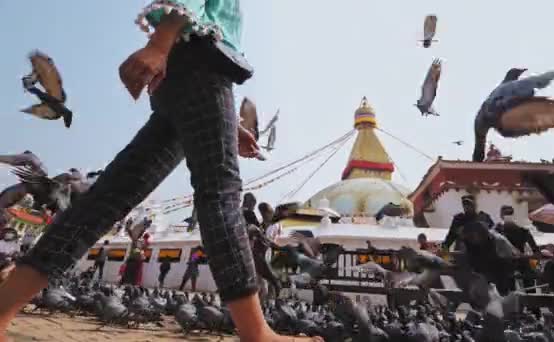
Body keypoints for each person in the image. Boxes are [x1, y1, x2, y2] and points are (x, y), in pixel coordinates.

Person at [0, 2, 321, 341]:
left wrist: (224, 119)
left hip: (183, 75)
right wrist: (160, 42)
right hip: (199, 65)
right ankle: (257, 335)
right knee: (220, 196)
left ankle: (3, 307)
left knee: (106, 199)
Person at [461, 221, 516, 295]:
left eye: (472, 236)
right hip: (481, 270)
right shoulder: (470, 243)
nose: (471, 239)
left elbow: (508, 260)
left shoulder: (498, 240)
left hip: (501, 270)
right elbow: (468, 259)